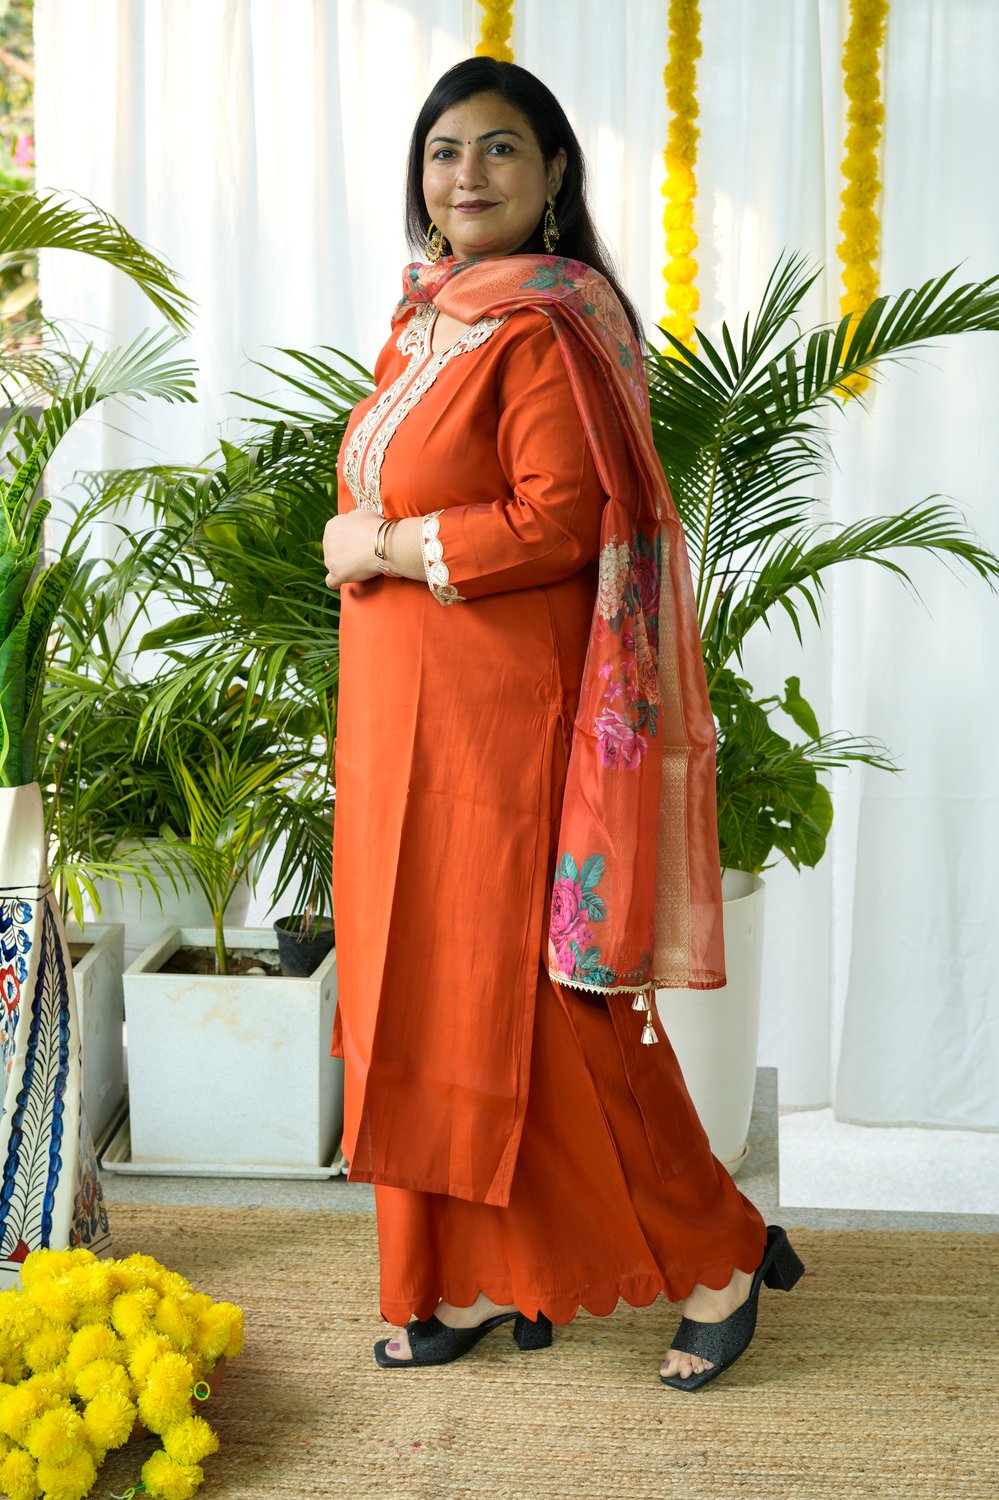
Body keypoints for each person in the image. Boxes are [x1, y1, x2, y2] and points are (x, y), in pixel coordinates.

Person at [322, 56, 803, 1391]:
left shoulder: (544, 327)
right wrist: (370, 540)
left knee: (543, 1012)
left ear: (552, 178)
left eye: (498, 149)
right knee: (416, 1001)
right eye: (444, 152)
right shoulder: (424, 320)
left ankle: (718, 1252)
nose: (465, 175)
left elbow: (557, 520)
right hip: (398, 725)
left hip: (500, 731)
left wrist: (382, 543)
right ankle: (465, 1280)